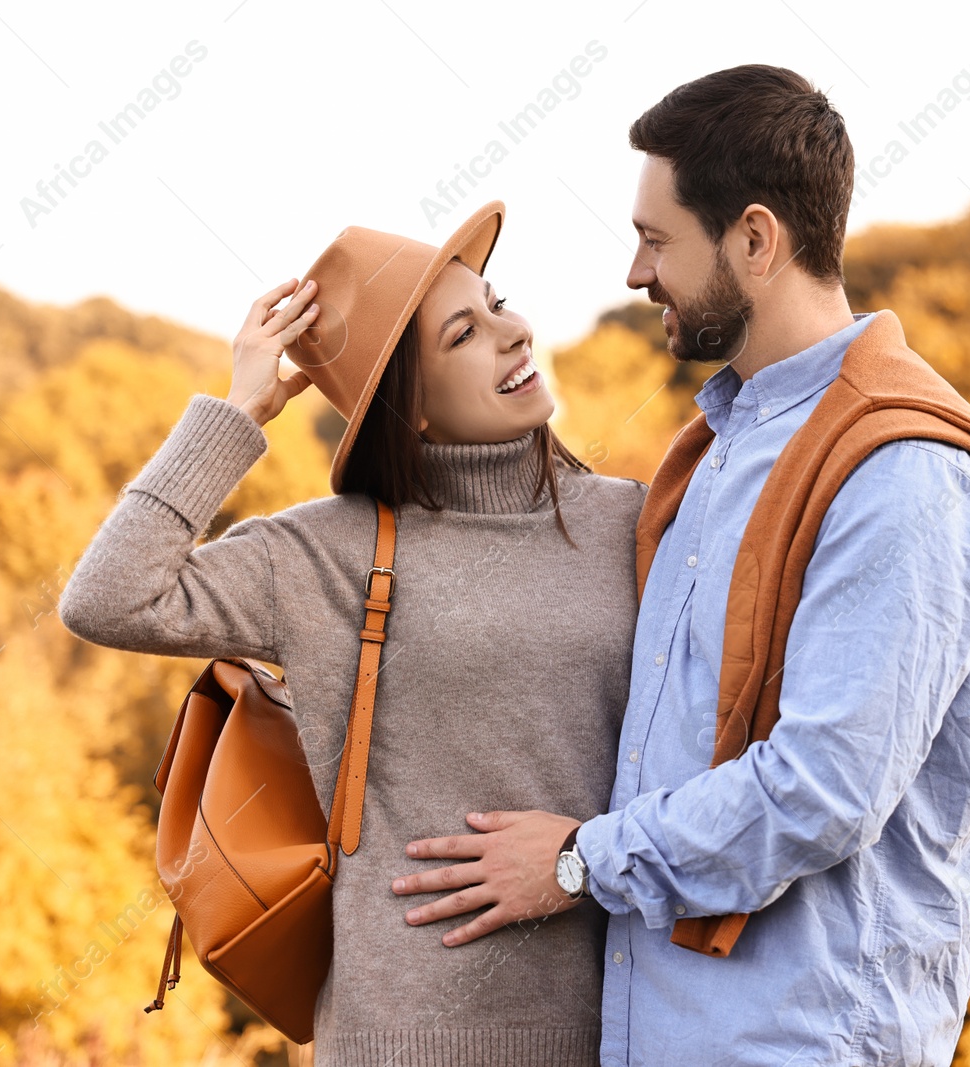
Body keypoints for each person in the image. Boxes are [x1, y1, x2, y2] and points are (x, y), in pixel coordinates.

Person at [389, 65, 970, 1065]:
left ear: (756, 240)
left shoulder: (901, 477)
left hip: (803, 1041)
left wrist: (572, 860)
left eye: (656, 241)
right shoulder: (716, 455)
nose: (636, 274)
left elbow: (822, 787)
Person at [57, 201, 648, 1066]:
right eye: (464, 334)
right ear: (407, 408)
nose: (512, 333)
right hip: (400, 1042)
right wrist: (239, 412)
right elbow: (108, 597)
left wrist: (577, 860)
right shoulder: (325, 552)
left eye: (498, 303)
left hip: (621, 1032)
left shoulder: (635, 521)